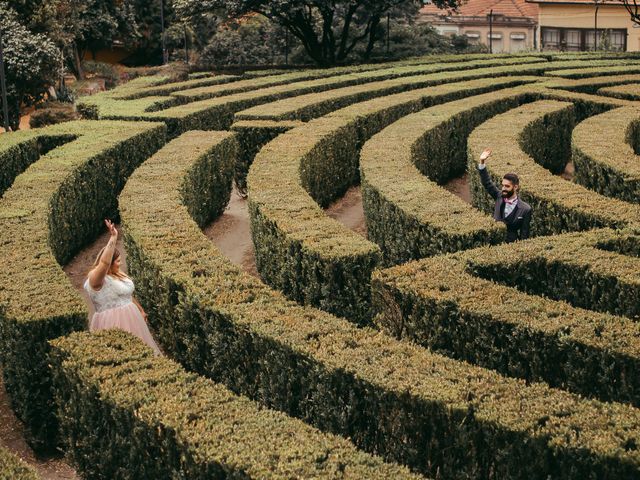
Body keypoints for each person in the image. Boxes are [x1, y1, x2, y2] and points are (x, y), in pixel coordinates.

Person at [84, 219, 161, 355]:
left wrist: (140, 310)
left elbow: (126, 295)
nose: (120, 264)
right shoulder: (96, 279)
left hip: (132, 318)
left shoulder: (117, 274)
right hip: (112, 321)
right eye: (117, 261)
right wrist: (113, 237)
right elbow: (104, 262)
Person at [477, 148, 532, 242]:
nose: (503, 189)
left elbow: (524, 235)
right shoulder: (499, 196)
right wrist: (482, 161)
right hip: (493, 242)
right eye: (502, 185)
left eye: (507, 186)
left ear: (515, 187)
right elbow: (487, 182)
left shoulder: (525, 209)